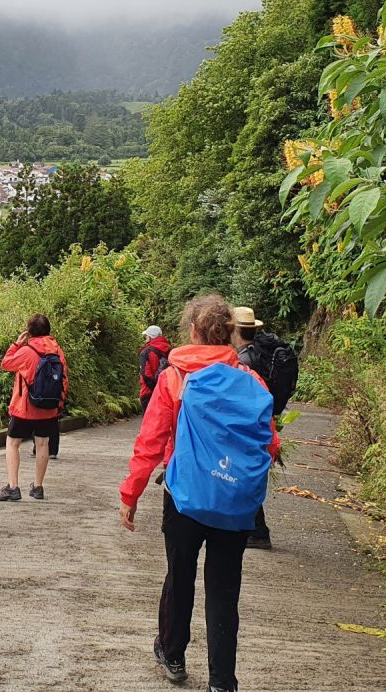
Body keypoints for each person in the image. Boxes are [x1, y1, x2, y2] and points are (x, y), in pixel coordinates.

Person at [120, 295, 279, 692]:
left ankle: (172, 653)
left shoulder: (174, 377)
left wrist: (131, 493)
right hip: (233, 502)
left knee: (180, 575)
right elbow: (270, 444)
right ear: (230, 334)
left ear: (191, 331)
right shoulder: (252, 381)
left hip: (184, 495)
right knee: (224, 590)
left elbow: (151, 441)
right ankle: (223, 681)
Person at [0, 314, 67, 502]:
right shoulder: (57, 350)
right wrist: (59, 403)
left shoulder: (27, 350)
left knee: (12, 443)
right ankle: (38, 487)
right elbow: (64, 378)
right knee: (43, 444)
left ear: (29, 331)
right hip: (49, 407)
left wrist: (17, 344)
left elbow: (6, 364)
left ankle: (13, 487)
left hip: (25, 406)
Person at [231, 307, 275, 552]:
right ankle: (255, 529)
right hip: (263, 422)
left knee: (244, 477)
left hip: (247, 426)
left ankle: (258, 531)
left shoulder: (243, 360)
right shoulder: (260, 352)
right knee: (250, 475)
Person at [138, 324, 172, 413]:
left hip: (148, 392)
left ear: (150, 337)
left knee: (150, 423)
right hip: (166, 391)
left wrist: (154, 389)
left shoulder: (146, 352)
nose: (145, 338)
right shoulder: (169, 350)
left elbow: (146, 374)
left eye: (146, 336)